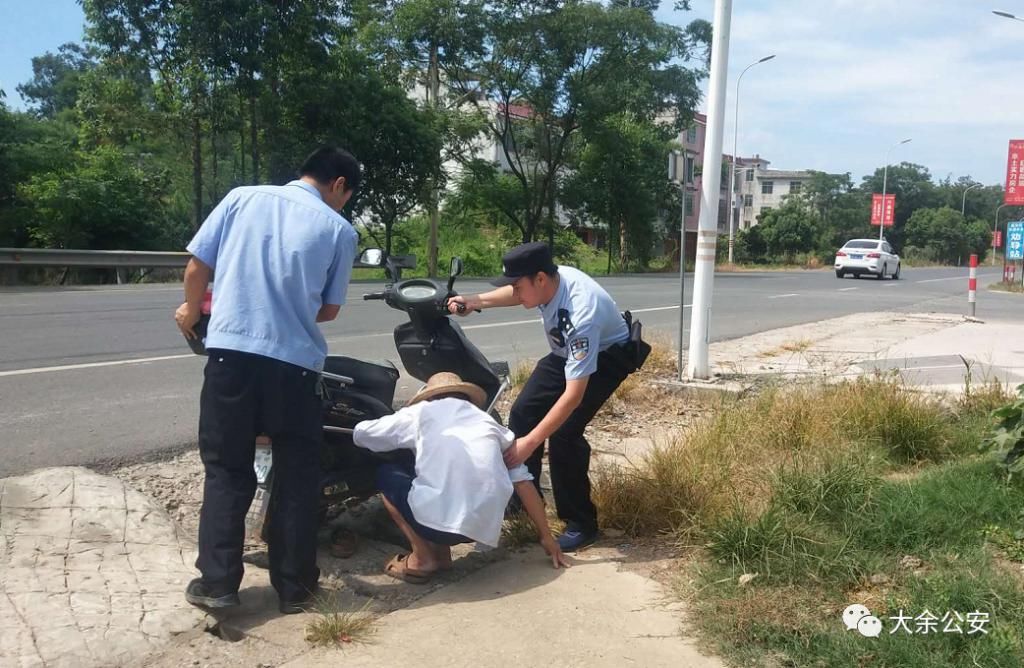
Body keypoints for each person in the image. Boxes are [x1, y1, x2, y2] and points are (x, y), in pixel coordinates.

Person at [175, 146, 360, 614]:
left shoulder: (242, 198)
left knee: (226, 470)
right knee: (297, 477)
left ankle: (218, 584)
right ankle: (296, 589)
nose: (344, 205)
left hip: (231, 360)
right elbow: (330, 309)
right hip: (295, 368)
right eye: (347, 196)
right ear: (338, 184)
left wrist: (193, 309)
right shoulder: (339, 229)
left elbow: (197, 266)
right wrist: (292, 307)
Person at [448, 241, 642, 551]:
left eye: (518, 285)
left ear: (540, 279)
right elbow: (514, 294)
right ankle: (525, 498)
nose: (515, 291)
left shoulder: (581, 313)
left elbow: (572, 396)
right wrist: (473, 300)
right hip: (566, 353)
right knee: (524, 412)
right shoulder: (546, 280)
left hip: (606, 358)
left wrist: (529, 443)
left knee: (564, 433)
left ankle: (581, 522)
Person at [352, 372, 570, 582]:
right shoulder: (488, 423)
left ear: (429, 397)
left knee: (387, 474)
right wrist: (547, 537)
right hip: (483, 529)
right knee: (434, 472)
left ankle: (422, 559)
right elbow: (523, 483)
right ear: (466, 397)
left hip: (437, 527)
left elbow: (362, 434)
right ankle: (442, 556)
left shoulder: (420, 412)